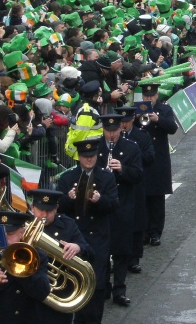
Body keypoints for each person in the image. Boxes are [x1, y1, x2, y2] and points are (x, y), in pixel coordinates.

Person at [57, 138, 119, 324]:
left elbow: (114, 204)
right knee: (72, 282)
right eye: (85, 157)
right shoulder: (67, 178)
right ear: (79, 158)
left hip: (97, 237)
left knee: (96, 283)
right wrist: (69, 199)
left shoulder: (106, 177)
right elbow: (58, 207)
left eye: (91, 156)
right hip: (75, 235)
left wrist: (99, 200)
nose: (89, 160)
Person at [97, 113, 143, 307]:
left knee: (121, 250)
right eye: (108, 131)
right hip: (102, 206)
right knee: (103, 248)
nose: (111, 135)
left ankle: (119, 290)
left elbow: (138, 174)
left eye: (115, 130)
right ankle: (104, 286)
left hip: (123, 205)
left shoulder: (131, 147)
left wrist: (122, 169)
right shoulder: (95, 148)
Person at [29, 188, 93, 324]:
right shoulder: (22, 226)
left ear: (56, 208)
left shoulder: (68, 225)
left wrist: (78, 247)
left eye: (49, 211)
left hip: (58, 294)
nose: (44, 215)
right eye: (40, 210)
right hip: (28, 295)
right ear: (32, 207)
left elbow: (90, 253)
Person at [138, 82, 179, 246]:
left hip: (158, 158)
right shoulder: (139, 109)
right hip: (142, 157)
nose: (149, 98)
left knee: (157, 198)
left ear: (156, 96)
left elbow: (173, 128)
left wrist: (158, 119)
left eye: (151, 96)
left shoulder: (164, 109)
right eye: (146, 96)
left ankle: (156, 232)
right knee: (143, 197)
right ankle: (145, 231)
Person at [115, 106, 154, 275]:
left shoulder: (142, 136)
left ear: (133, 120)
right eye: (121, 122)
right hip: (116, 184)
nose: (123, 125)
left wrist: (134, 154)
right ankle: (117, 256)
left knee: (137, 219)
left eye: (127, 121)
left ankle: (134, 258)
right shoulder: (113, 139)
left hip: (135, 183)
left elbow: (150, 157)